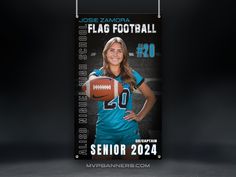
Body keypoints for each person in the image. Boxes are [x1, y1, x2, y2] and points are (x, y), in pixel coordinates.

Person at [88, 37, 156, 160]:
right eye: (111, 50)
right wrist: (104, 82)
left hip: (128, 131)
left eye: (119, 51)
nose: (115, 54)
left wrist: (139, 116)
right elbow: (90, 85)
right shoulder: (96, 74)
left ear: (124, 54)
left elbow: (151, 97)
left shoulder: (131, 74)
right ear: (105, 53)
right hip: (105, 132)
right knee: (98, 171)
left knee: (132, 171)